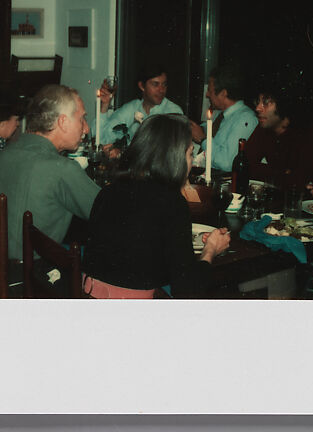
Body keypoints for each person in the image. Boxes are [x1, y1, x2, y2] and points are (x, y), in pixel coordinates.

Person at [82, 114, 230, 299]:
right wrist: (211, 250)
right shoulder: (172, 204)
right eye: (191, 153)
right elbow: (187, 290)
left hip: (88, 295)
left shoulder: (108, 191)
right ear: (174, 157)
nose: (192, 161)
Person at [0, 84, 100, 261]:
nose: (86, 129)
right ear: (62, 122)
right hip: (29, 274)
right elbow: (108, 214)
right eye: (82, 119)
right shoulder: (62, 169)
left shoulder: (5, 153)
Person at [245, 77, 313, 188]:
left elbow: (298, 181)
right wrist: (283, 173)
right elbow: (244, 164)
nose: (258, 108)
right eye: (258, 102)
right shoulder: (264, 128)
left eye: (266, 102)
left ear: (283, 103)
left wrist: (268, 172)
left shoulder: (309, 133)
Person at [93, 64, 183, 147]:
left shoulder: (173, 112)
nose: (161, 90)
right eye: (155, 84)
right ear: (142, 86)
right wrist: (104, 106)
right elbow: (102, 139)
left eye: (164, 85)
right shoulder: (131, 108)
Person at [191, 64, 257, 172]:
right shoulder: (220, 115)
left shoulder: (245, 119)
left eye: (210, 91)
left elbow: (227, 163)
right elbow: (207, 130)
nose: (207, 95)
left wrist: (203, 139)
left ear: (223, 94)